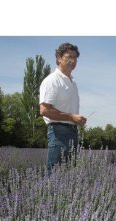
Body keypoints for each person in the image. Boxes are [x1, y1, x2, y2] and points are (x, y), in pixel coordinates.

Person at [39, 42, 87, 174]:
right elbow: (44, 110)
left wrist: (76, 120)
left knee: (68, 176)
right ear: (59, 58)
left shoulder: (72, 81)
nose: (73, 60)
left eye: (75, 58)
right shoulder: (52, 80)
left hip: (72, 131)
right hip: (58, 132)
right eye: (69, 57)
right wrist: (71, 117)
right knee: (55, 176)